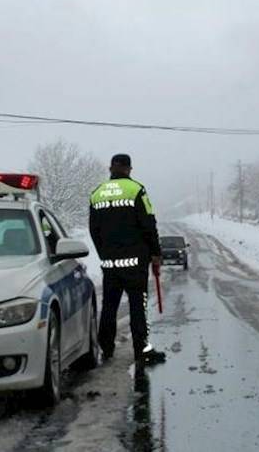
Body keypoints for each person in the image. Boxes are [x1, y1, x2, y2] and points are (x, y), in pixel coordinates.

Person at [89, 153, 166, 365]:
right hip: (135, 263)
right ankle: (142, 351)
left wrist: (104, 253)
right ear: (129, 169)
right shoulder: (137, 190)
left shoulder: (97, 193)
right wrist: (155, 253)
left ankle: (106, 349)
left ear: (111, 169)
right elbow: (149, 224)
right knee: (138, 307)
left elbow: (93, 230)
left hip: (110, 263)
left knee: (109, 307)